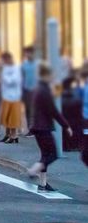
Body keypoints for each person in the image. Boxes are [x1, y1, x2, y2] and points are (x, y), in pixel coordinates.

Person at [27, 63, 73, 193]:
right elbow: (53, 111)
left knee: (45, 155)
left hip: (37, 127)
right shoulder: (44, 91)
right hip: (44, 127)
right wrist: (66, 125)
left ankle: (43, 184)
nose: (53, 77)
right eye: (51, 75)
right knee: (53, 155)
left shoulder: (38, 89)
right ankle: (33, 170)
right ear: (46, 75)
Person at [0, 51, 23, 144]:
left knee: (13, 116)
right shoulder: (5, 68)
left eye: (4, 60)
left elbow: (13, 81)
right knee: (7, 116)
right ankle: (8, 134)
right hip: (6, 95)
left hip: (14, 96)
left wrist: (4, 77)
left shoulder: (16, 68)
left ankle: (14, 135)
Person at [21, 46, 38, 135]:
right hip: (27, 89)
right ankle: (30, 128)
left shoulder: (38, 64)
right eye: (26, 53)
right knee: (28, 110)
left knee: (35, 110)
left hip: (36, 90)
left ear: (33, 53)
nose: (28, 54)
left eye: (30, 52)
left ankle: (35, 128)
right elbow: (22, 77)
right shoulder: (24, 65)